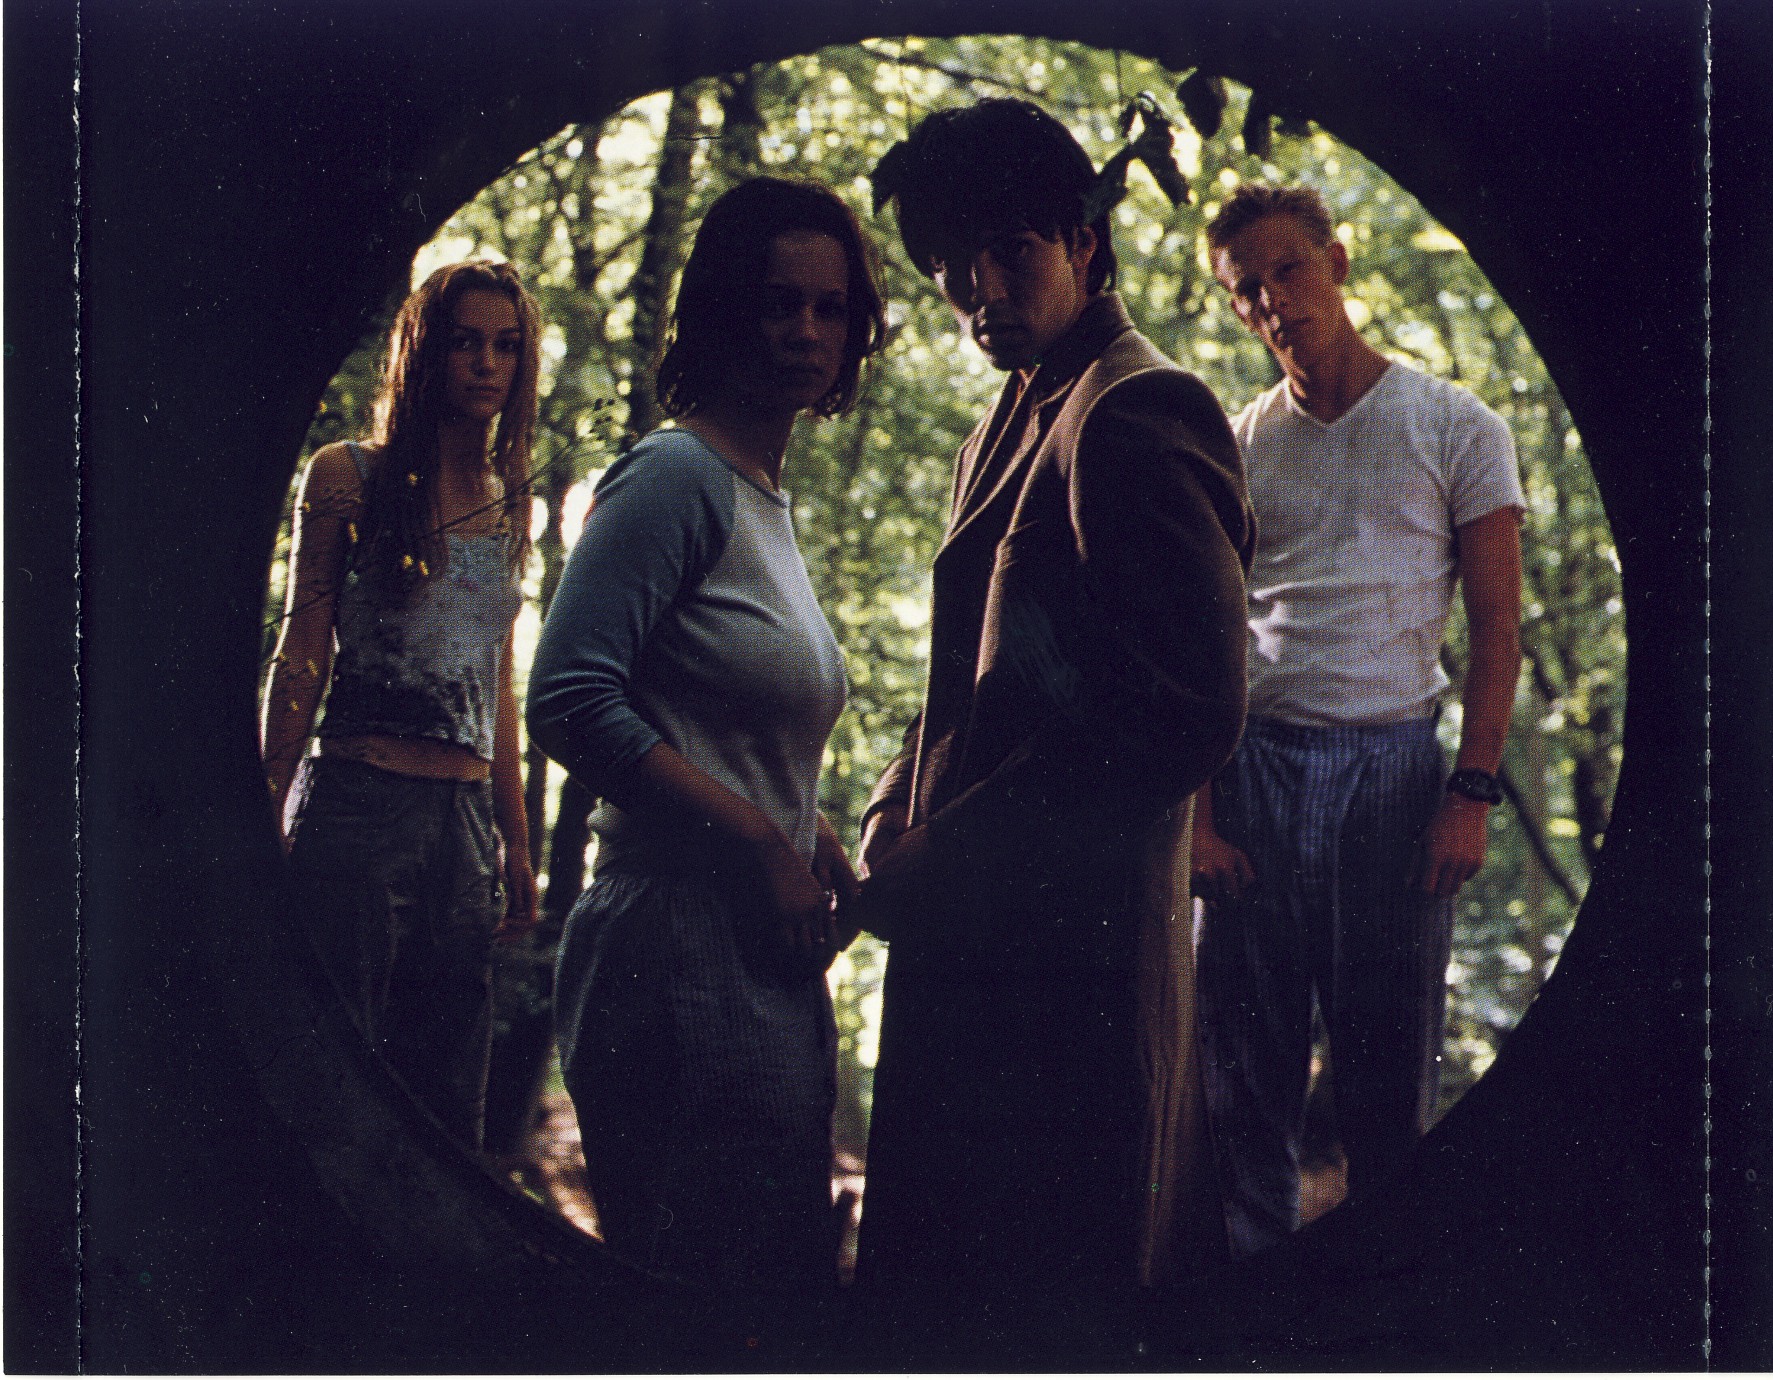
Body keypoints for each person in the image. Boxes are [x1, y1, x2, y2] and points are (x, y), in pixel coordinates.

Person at [851, 99, 1256, 1362]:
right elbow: (970, 683)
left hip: (1072, 989)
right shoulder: (1009, 417)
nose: (978, 290)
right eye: (948, 264)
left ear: (1086, 240)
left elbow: (1186, 709)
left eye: (1008, 251)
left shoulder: (1137, 407)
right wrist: (887, 811)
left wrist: (949, 852)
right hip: (976, 963)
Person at [525, 177, 886, 1340]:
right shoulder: (673, 477)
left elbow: (721, 723)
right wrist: (759, 841)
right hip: (669, 941)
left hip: (752, 950)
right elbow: (567, 698)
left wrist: (808, 834)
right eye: (779, 303)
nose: (807, 332)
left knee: (770, 1297)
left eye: (831, 309)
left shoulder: (762, 499)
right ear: (724, 311)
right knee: (701, 1318)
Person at [1193, 182, 1525, 1258]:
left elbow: (1498, 630)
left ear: (1336, 263)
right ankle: (1251, 1312)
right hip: (1254, 769)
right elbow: (1207, 640)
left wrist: (1469, 792)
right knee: (1243, 1084)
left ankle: (1381, 1316)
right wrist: (1201, 815)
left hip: (1393, 775)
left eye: (1288, 270)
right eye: (1247, 290)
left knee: (1387, 1087)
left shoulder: (1455, 426)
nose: (1273, 302)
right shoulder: (1237, 444)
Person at [262, 260, 542, 1150]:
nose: (486, 364)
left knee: (448, 1105)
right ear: (424, 352)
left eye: (506, 345)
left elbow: (494, 682)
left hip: (463, 826)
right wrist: (265, 798)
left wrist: (515, 841)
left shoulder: (506, 501)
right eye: (465, 342)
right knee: (331, 1076)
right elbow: (302, 649)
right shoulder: (350, 475)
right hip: (359, 804)